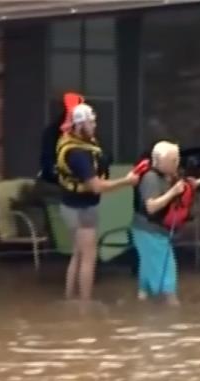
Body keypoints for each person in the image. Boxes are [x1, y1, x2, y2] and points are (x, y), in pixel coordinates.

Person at [54, 102, 140, 302]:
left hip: (70, 205)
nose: (94, 126)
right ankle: (85, 304)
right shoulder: (79, 155)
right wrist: (127, 182)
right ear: (79, 125)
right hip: (82, 209)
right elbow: (96, 186)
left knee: (77, 254)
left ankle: (70, 299)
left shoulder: (70, 141)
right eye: (91, 122)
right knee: (88, 257)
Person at [132, 141, 186, 305]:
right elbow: (151, 206)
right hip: (150, 232)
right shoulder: (150, 178)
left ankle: (143, 303)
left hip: (152, 231)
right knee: (168, 274)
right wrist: (173, 192)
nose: (177, 163)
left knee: (147, 273)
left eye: (177, 159)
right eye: (173, 160)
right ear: (160, 161)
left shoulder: (167, 176)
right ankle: (172, 310)